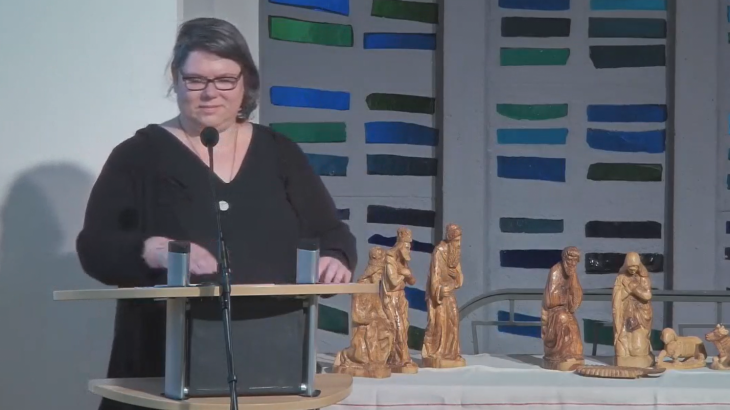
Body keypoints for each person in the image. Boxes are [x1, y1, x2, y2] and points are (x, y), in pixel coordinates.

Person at [76, 17, 357, 410]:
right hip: (162, 371)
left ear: (245, 83)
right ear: (176, 79)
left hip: (271, 366)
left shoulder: (280, 152)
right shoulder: (138, 154)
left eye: (225, 80)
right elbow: (95, 247)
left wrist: (335, 258)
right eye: (196, 80)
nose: (210, 93)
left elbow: (331, 232)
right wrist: (151, 250)